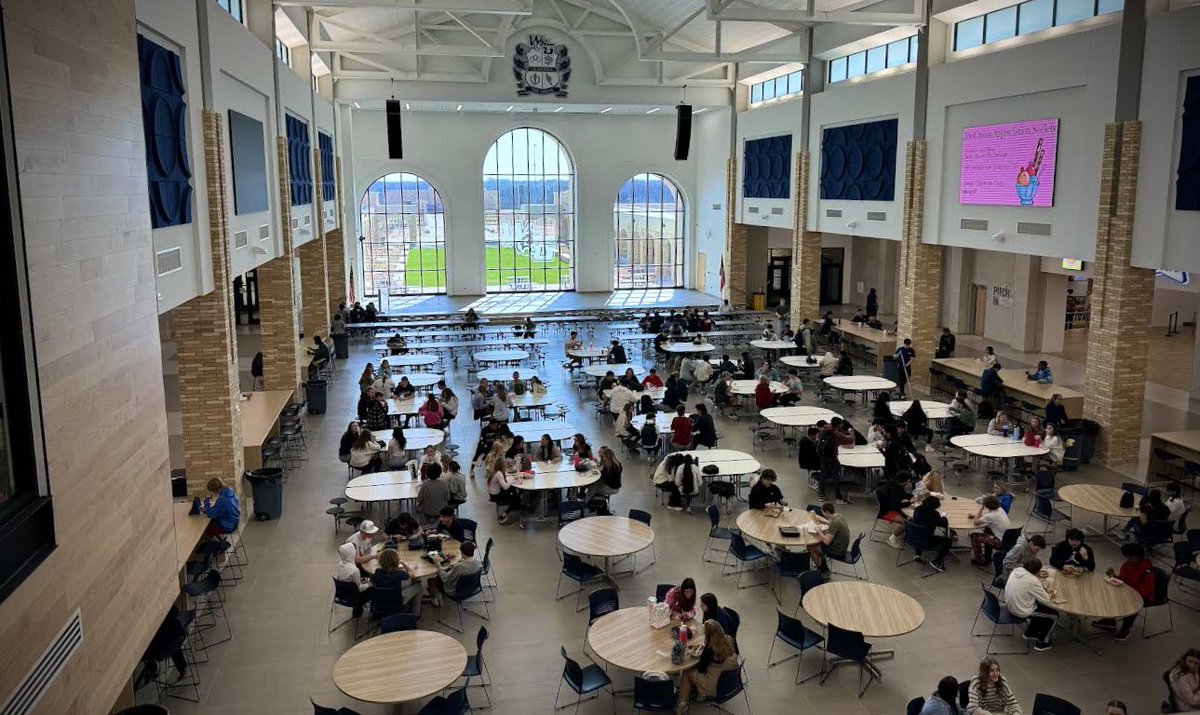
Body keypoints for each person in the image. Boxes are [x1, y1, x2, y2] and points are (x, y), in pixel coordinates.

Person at [1092, 543, 1156, 641]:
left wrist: (1126, 592)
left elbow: (1146, 591)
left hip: (1142, 596)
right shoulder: (1127, 565)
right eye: (1128, 557)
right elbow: (1123, 580)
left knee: (1131, 604)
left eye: (1132, 557)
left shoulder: (1147, 572)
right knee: (1109, 593)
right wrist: (1113, 576)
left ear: (1139, 557)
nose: (1129, 560)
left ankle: (1126, 628)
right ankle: (1110, 621)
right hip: (1128, 590)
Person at [675, 620, 739, 713]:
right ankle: (699, 694)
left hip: (715, 685)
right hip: (730, 680)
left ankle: (682, 704)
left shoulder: (710, 649)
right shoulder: (728, 640)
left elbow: (701, 668)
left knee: (687, 673)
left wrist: (697, 656)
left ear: (709, 635)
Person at [1003, 557, 1058, 651]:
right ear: (1037, 571)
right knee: (1054, 615)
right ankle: (1043, 643)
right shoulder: (1032, 580)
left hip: (1011, 605)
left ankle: (1030, 632)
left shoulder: (1016, 571)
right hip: (1020, 610)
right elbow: (1046, 599)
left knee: (1040, 607)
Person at [431, 540, 483, 605]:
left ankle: (437, 599)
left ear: (462, 553)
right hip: (471, 588)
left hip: (455, 592)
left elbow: (445, 579)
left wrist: (438, 566)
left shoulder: (459, 566)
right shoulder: (478, 563)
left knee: (435, 579)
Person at [372, 547, 423, 613]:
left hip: (380, 601)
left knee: (404, 584)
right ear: (396, 561)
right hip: (396, 603)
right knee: (418, 586)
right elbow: (412, 574)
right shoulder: (400, 574)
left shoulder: (377, 571)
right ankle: (415, 614)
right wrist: (405, 564)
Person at [909, 495, 952, 571]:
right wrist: (943, 517)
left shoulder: (918, 509)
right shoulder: (934, 514)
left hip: (912, 537)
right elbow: (943, 525)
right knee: (948, 540)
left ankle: (918, 554)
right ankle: (937, 562)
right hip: (926, 541)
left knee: (920, 529)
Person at [486, 444, 525, 529]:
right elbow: (505, 487)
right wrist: (511, 480)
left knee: (514, 492)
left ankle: (516, 505)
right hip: (496, 495)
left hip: (492, 493)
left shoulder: (495, 471)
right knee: (516, 498)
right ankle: (504, 515)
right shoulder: (499, 473)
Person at [969, 495, 1013, 566]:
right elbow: (987, 516)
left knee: (974, 536)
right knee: (987, 530)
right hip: (1008, 539)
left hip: (1000, 542)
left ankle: (979, 559)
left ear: (986, 506)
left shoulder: (990, 516)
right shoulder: (1000, 509)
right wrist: (977, 516)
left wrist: (981, 508)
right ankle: (987, 557)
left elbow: (976, 522)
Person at [808, 502, 850, 574]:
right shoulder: (840, 516)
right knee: (819, 544)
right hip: (842, 547)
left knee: (810, 547)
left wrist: (819, 531)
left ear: (827, 512)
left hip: (837, 551)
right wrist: (823, 522)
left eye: (822, 512)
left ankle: (821, 570)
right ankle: (824, 565)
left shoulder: (834, 523)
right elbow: (832, 525)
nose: (822, 514)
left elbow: (826, 542)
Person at [334, 543, 371, 616]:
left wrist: (360, 580)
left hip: (343, 594)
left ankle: (357, 611)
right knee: (373, 587)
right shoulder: (354, 570)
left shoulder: (340, 564)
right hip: (355, 597)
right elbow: (359, 589)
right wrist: (368, 584)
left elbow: (347, 580)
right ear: (351, 553)